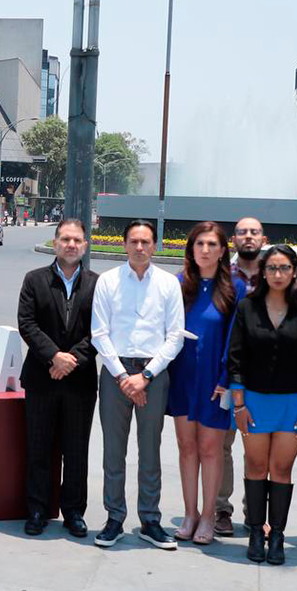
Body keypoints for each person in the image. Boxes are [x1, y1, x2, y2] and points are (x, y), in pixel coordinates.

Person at [91, 219, 185, 549]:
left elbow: (175, 337)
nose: (140, 247)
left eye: (146, 242)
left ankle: (150, 520)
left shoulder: (168, 284)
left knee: (150, 450)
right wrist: (122, 377)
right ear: (124, 244)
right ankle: (114, 517)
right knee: (113, 451)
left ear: (155, 245)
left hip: (153, 375)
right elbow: (99, 334)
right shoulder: (108, 281)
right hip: (116, 373)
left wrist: (144, 378)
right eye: (134, 241)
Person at [227, 245, 297, 565]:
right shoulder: (248, 307)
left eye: (285, 268)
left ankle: (277, 535)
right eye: (272, 268)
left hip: (293, 403)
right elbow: (236, 358)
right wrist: (239, 405)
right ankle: (256, 532)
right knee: (255, 466)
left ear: (295, 271)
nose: (278, 274)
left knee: (282, 468)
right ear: (263, 272)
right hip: (253, 400)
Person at [17, 218, 98, 538]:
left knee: (76, 449)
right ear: (55, 243)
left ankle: (74, 512)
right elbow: (27, 323)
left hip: (79, 382)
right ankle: (37, 509)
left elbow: (101, 331)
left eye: (77, 240)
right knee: (39, 446)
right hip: (41, 377)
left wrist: (72, 360)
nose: (71, 245)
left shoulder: (96, 283)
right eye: (65, 239)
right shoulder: (34, 280)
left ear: (85, 245)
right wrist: (54, 357)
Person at [167, 222, 245, 545]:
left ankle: (210, 516)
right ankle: (190, 513)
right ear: (191, 248)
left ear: (223, 250)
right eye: (199, 244)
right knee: (187, 448)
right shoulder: (178, 284)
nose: (205, 250)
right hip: (182, 377)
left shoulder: (234, 287)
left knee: (211, 449)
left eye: (212, 244)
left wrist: (226, 378)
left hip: (215, 380)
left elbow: (236, 338)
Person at [212, 216, 266, 538]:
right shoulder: (223, 277)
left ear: (263, 237)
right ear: (234, 239)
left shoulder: (276, 273)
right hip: (227, 374)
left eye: (254, 232)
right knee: (223, 444)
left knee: (259, 447)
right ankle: (222, 509)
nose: (248, 237)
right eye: (243, 232)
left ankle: (255, 510)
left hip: (265, 379)